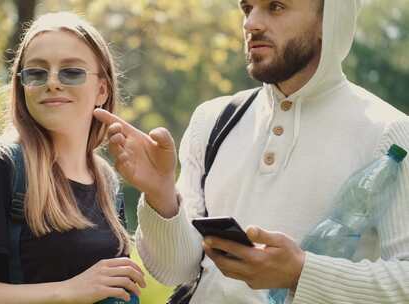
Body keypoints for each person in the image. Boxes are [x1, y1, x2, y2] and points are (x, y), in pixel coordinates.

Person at [93, 0, 409, 303]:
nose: (251, 23)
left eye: (276, 6)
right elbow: (174, 270)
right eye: (247, 8)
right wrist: (161, 195)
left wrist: (301, 273)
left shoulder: (390, 133)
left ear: (328, 20)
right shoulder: (213, 119)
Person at [0, 12, 146, 304]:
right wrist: (68, 291)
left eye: (71, 72)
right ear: (22, 87)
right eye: (37, 73)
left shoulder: (106, 180)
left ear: (101, 90)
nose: (52, 82)